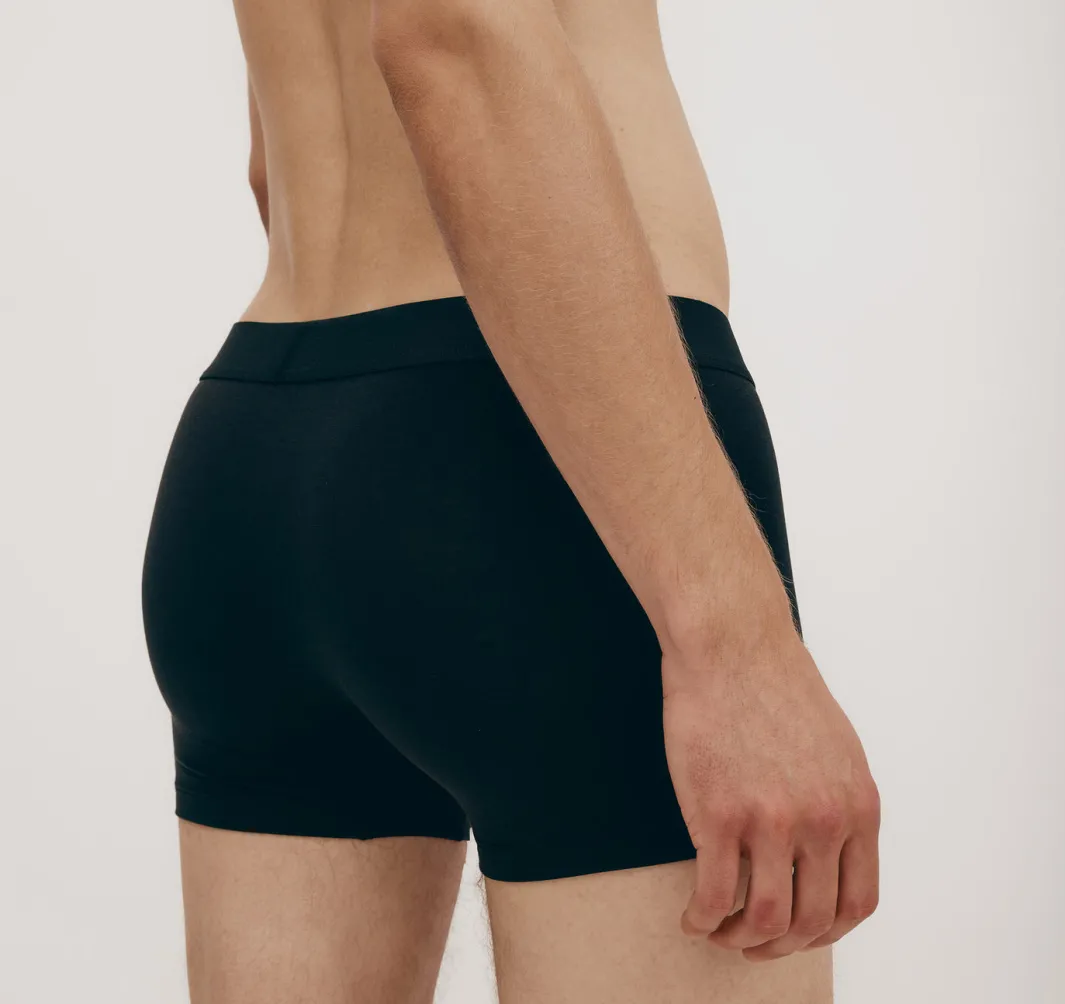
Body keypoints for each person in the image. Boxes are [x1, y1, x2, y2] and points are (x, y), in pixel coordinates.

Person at [140, 0, 881, 1000]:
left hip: (261, 439)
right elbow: (453, 28)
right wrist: (735, 642)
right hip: (544, 453)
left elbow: (273, 160)